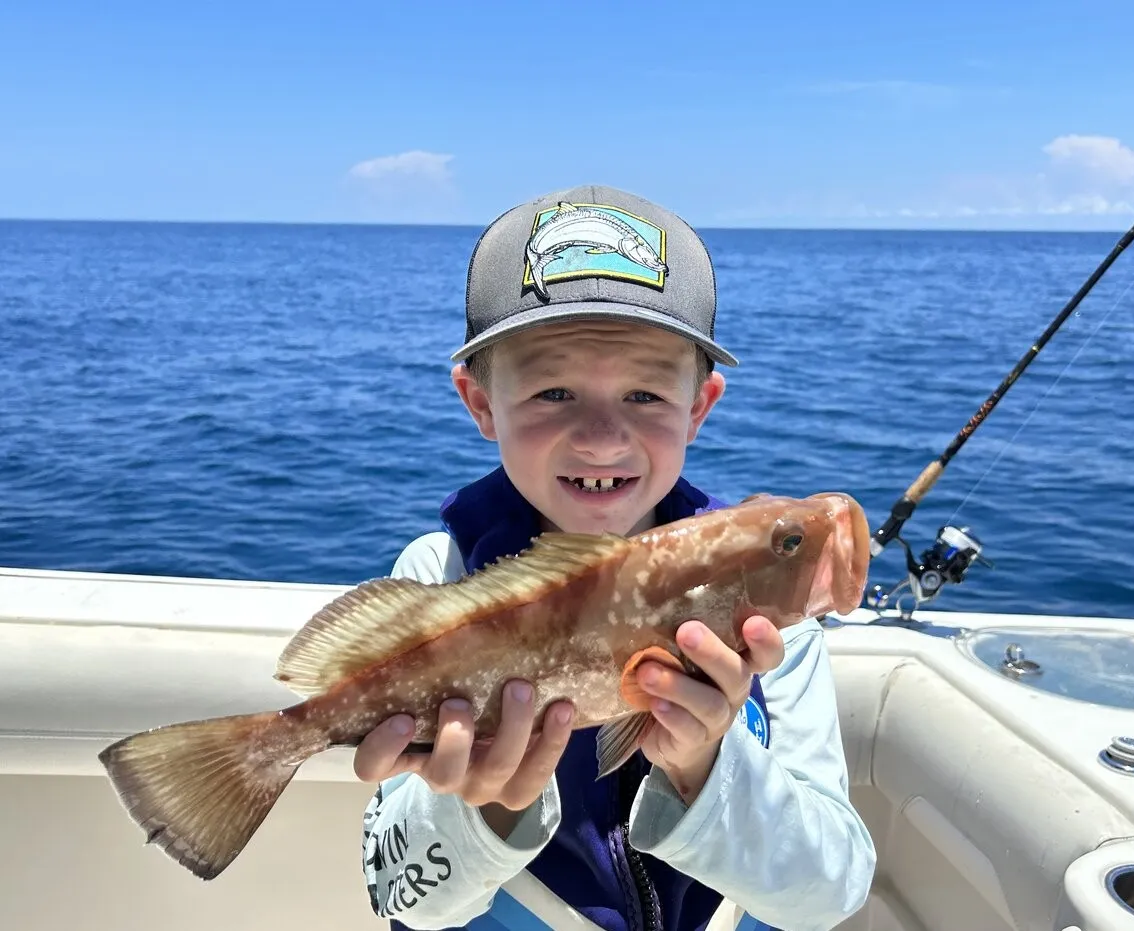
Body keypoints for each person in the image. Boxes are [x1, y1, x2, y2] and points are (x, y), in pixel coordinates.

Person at [353, 184, 876, 931]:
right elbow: (397, 893)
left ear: (700, 406)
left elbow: (831, 894)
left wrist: (704, 769)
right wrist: (490, 807)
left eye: (644, 395)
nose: (602, 438)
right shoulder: (439, 582)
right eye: (553, 390)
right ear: (479, 402)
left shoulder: (774, 634)